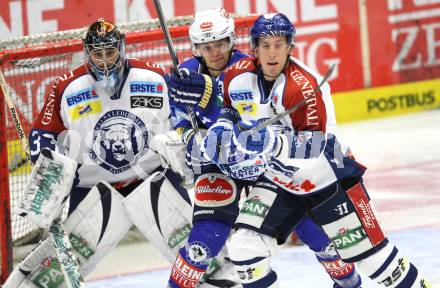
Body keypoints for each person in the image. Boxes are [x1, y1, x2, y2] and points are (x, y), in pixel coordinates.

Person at [201, 13, 431, 287]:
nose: (272, 53)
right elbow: (229, 107)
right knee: (244, 247)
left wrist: (273, 142)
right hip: (280, 180)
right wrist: (222, 126)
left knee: (374, 262)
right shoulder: (236, 76)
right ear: (254, 48)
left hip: (328, 179)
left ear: (290, 46)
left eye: (279, 44)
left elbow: (315, 147)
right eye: (265, 45)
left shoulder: (305, 87)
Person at [3, 19, 222, 288]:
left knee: (202, 259)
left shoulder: (153, 77)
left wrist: (180, 139)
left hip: (153, 180)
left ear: (122, 49)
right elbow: (41, 135)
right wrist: (47, 163)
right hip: (93, 188)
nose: (105, 61)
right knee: (48, 278)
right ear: (87, 54)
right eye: (98, 53)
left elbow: (183, 120)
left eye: (110, 52)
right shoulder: (66, 87)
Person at [166, 8, 361, 288]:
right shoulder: (186, 73)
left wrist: (212, 100)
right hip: (217, 167)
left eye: (220, 43)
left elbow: (251, 122)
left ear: (232, 40)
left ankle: (350, 283)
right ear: (196, 47)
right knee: (204, 241)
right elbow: (178, 115)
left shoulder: (250, 68)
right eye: (206, 46)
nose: (215, 52)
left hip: (262, 165)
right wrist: (188, 138)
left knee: (316, 232)